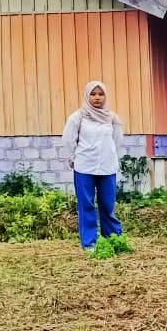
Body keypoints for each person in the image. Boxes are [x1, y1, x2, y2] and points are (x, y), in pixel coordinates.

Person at [61, 80, 126, 252]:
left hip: (107, 167)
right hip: (84, 167)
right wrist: (73, 157)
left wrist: (112, 157)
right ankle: (90, 243)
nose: (97, 98)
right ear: (87, 96)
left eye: (101, 94)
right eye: (93, 94)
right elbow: (68, 139)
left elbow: (117, 141)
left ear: (105, 96)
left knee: (108, 205)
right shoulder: (78, 117)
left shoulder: (111, 118)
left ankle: (113, 239)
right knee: (87, 205)